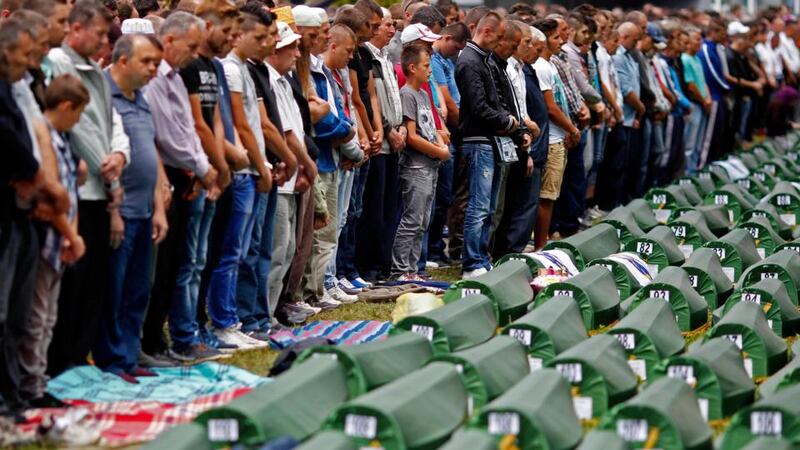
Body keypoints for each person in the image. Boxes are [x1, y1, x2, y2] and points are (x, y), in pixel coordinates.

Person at [48, 0, 130, 377]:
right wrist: (107, 164)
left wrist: (119, 155)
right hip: (84, 189)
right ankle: (63, 361)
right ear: (76, 29)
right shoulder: (61, 65)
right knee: (74, 285)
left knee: (96, 280)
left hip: (103, 184)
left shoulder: (97, 70)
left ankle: (81, 357)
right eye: (99, 34)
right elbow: (77, 125)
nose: (103, 43)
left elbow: (112, 122)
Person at [94, 34, 170, 382]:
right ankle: (111, 359)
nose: (154, 69)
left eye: (156, 62)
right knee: (114, 290)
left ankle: (128, 354)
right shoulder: (102, 95)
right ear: (122, 61)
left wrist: (158, 206)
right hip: (120, 211)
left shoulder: (140, 97)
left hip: (145, 210)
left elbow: (150, 150)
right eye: (147, 62)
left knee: (140, 288)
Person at [18, 74, 86, 409]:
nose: (79, 121)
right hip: (51, 237)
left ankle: (38, 380)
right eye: (78, 113)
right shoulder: (43, 134)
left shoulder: (60, 138)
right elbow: (54, 194)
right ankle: (30, 386)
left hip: (61, 239)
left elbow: (71, 189)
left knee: (47, 318)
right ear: (64, 106)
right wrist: (70, 233)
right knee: (37, 318)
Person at [209, 4, 274, 349]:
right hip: (243, 171)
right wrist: (259, 165)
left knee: (239, 249)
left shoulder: (244, 69)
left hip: (251, 168)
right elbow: (242, 124)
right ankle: (222, 321)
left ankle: (229, 319)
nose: (265, 44)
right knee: (230, 252)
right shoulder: (231, 70)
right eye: (258, 37)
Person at [456, 11, 518, 278]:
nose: (501, 42)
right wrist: (507, 121)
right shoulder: (470, 61)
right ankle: (471, 262)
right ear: (488, 32)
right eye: (500, 37)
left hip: (490, 139)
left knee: (490, 207)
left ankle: (481, 257)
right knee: (479, 206)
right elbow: (479, 107)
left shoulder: (485, 60)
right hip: (478, 140)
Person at [263, 21, 308, 329]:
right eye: (291, 46)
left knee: (287, 248)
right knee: (276, 250)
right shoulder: (270, 80)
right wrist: (303, 162)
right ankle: (263, 315)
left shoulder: (284, 80)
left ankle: (273, 309)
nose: (297, 52)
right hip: (282, 178)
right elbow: (285, 132)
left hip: (292, 178)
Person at [391, 43, 449, 280]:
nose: (430, 70)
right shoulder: (407, 94)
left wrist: (441, 143)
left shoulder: (424, 93)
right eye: (426, 66)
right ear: (412, 68)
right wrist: (439, 151)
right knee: (412, 219)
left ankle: (413, 269)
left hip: (430, 165)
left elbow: (433, 126)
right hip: (416, 167)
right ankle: (400, 270)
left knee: (424, 220)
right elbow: (412, 136)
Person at [357, 7, 405, 280]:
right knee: (373, 208)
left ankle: (384, 262)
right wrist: (387, 129)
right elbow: (369, 100)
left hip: (393, 139)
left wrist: (399, 127)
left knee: (389, 207)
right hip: (380, 141)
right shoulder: (366, 56)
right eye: (387, 25)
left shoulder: (385, 56)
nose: (392, 29)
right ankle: (371, 266)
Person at [494, 25, 547, 256]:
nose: (528, 47)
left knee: (516, 200)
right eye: (526, 42)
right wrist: (524, 123)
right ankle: (504, 250)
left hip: (521, 136)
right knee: (505, 202)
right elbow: (509, 105)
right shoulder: (507, 68)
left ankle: (509, 249)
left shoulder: (520, 67)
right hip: (511, 137)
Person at [532, 18, 578, 250]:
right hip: (550, 140)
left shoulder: (550, 65)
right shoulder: (540, 66)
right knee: (545, 197)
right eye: (557, 37)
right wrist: (571, 127)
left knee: (551, 196)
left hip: (558, 138)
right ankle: (540, 245)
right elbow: (550, 107)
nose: (562, 41)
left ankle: (544, 240)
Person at [426, 21, 466, 266]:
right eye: (456, 47)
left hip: (450, 131)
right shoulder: (434, 61)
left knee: (446, 195)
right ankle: (431, 250)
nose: (457, 52)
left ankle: (435, 250)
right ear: (447, 38)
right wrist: (465, 128)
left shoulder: (448, 61)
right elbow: (448, 103)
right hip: (447, 131)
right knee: (438, 197)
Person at [681, 27, 711, 175]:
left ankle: (696, 168)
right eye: (697, 39)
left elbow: (703, 81)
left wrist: (708, 98)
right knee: (690, 142)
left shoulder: (697, 59)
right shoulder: (685, 59)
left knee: (699, 141)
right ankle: (688, 172)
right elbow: (691, 85)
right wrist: (703, 101)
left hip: (703, 103)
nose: (701, 42)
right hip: (695, 104)